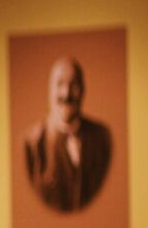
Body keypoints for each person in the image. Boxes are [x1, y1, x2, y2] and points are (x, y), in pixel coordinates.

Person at [21, 55, 112, 213]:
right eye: (60, 84)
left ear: (83, 90)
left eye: (73, 85)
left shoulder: (103, 137)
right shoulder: (31, 143)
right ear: (49, 90)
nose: (66, 94)